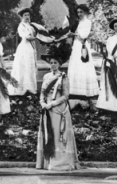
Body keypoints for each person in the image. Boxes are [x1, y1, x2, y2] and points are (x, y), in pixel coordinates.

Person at [36, 42, 79, 171]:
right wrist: (43, 103)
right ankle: (47, 163)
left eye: (55, 62)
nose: (53, 64)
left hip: (59, 109)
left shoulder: (63, 77)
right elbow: (42, 93)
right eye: (51, 62)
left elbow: (66, 95)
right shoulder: (46, 76)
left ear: (60, 64)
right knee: (49, 134)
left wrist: (52, 104)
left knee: (58, 134)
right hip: (47, 109)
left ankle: (61, 163)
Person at [66, 4, 99, 104]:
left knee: (83, 65)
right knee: (75, 65)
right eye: (78, 12)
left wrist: (74, 34)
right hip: (76, 45)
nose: (79, 14)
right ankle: (75, 91)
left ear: (85, 12)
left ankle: (84, 91)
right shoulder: (78, 22)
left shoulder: (88, 22)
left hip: (82, 45)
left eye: (81, 12)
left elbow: (84, 35)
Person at [9, 8, 39, 95]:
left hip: (31, 47)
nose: (27, 17)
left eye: (28, 15)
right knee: (24, 67)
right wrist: (38, 38)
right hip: (24, 47)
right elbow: (27, 37)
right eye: (25, 15)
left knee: (30, 66)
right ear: (22, 17)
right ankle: (22, 88)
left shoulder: (30, 26)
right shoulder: (21, 26)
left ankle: (30, 88)